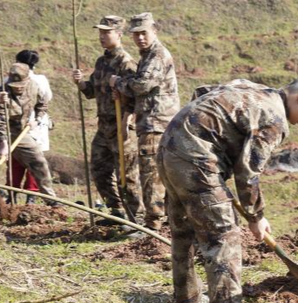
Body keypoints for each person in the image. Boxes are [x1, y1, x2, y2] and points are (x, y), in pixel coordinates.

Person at [158, 72, 298, 303]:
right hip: (195, 160)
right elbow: (248, 172)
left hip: (169, 148)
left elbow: (202, 91)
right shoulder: (274, 119)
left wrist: (208, 141)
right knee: (224, 233)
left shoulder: (251, 88)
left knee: (184, 228)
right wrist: (256, 216)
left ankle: (188, 296)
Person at [110, 13, 181, 230]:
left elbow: (143, 85)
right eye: (136, 34)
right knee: (162, 176)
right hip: (153, 122)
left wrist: (120, 83)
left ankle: (153, 225)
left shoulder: (156, 55)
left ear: (154, 31)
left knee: (151, 176)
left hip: (156, 124)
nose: (140, 38)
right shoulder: (147, 56)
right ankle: (168, 221)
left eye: (144, 33)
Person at [73, 16, 142, 223]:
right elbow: (92, 91)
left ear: (118, 34)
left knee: (126, 174)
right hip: (103, 127)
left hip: (121, 125)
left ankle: (135, 219)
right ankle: (116, 211)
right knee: (99, 168)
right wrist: (80, 83)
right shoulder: (102, 62)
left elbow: (135, 94)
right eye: (100, 32)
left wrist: (126, 121)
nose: (102, 36)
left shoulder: (126, 62)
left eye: (107, 32)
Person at [0, 63, 56, 200]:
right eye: (14, 85)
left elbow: (42, 105)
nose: (17, 88)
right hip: (4, 129)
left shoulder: (34, 86)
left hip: (19, 132)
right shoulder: (3, 91)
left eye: (20, 85)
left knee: (38, 161)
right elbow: (1, 120)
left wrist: (36, 119)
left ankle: (51, 199)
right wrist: (4, 142)